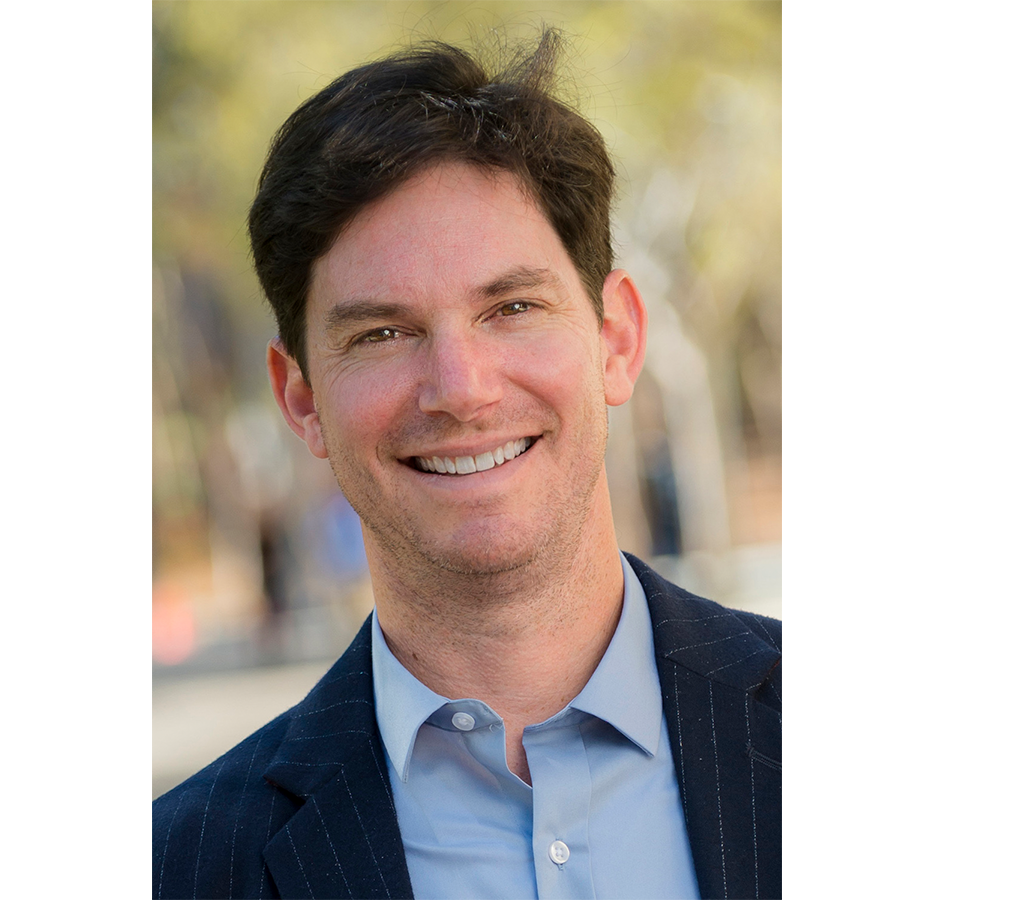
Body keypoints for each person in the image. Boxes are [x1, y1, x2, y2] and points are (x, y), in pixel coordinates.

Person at [153, 29, 780, 900]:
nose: (460, 388)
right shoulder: (177, 869)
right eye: (382, 333)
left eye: (512, 307)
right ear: (300, 400)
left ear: (616, 339)